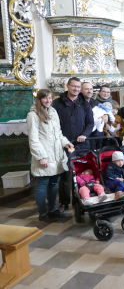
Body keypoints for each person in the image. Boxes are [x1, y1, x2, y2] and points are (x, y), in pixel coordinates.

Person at [28, 89, 74, 221]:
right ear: (39, 99)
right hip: (44, 155)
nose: (48, 101)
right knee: (42, 184)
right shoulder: (33, 115)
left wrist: (66, 143)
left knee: (54, 184)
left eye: (50, 98)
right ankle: (43, 213)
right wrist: (41, 156)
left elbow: (58, 133)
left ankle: (53, 210)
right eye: (45, 98)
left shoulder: (53, 112)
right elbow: (33, 139)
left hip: (56, 154)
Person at [52, 77, 94, 210]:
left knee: (82, 172)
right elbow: (54, 124)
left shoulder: (84, 103)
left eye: (78, 86)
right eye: (73, 86)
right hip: (64, 144)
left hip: (82, 144)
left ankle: (80, 199)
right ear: (67, 86)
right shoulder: (57, 103)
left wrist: (85, 135)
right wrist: (62, 140)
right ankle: (64, 202)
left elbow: (90, 123)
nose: (76, 89)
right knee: (66, 174)